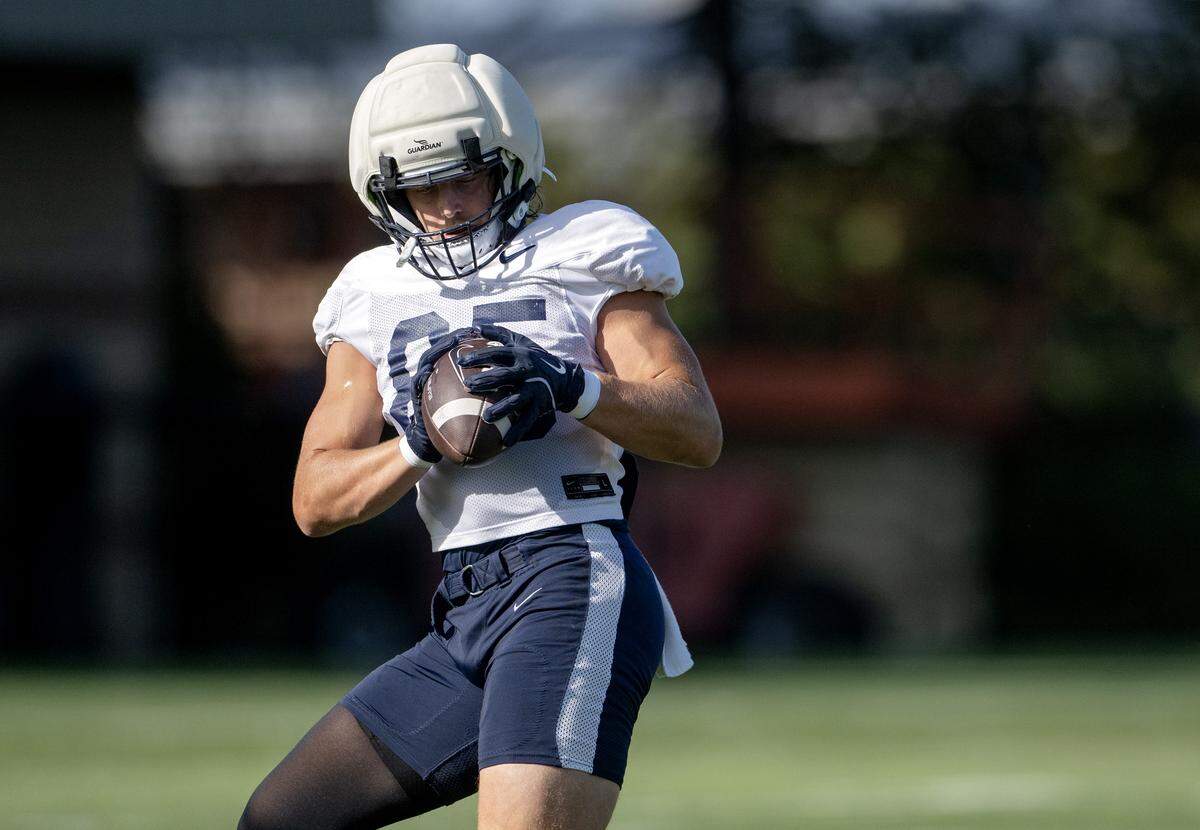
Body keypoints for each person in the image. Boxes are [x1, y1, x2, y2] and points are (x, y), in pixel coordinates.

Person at [238, 43, 721, 830]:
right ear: (385, 193)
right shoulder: (369, 293)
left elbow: (697, 428)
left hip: (571, 572)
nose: (447, 205)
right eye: (421, 188)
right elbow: (315, 500)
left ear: (511, 164)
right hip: (465, 602)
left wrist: (572, 386)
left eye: (463, 176)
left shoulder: (585, 249)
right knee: (283, 820)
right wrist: (418, 443)